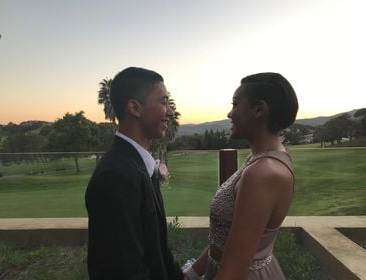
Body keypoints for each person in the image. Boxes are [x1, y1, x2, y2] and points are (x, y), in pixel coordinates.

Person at [183, 72, 298, 280]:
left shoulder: (263, 173)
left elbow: (234, 270)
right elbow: (223, 242)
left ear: (259, 110)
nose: (229, 113)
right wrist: (191, 274)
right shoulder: (257, 160)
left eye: (235, 104)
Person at [85, 67, 183, 279]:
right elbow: (124, 271)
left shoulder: (139, 166)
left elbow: (157, 249)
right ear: (135, 108)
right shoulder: (115, 176)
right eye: (163, 102)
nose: (170, 111)